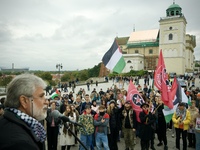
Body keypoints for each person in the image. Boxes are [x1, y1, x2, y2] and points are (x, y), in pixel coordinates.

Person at [0, 74, 48, 150]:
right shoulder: (21, 144)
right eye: (41, 96)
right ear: (24, 101)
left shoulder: (6, 121)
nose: (47, 102)